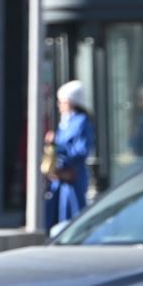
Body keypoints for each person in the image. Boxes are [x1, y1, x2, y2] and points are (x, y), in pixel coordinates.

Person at [45, 80, 95, 227]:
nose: (60, 105)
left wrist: (58, 146)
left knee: (72, 216)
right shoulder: (65, 122)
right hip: (60, 178)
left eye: (63, 102)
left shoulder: (82, 121)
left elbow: (81, 151)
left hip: (73, 176)